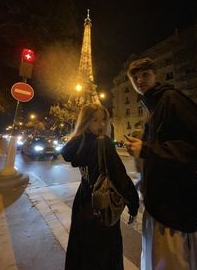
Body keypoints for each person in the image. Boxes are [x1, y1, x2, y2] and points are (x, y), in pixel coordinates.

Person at [126, 57, 197, 270]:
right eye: (134, 77)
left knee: (171, 262)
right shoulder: (154, 105)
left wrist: (146, 150)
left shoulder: (172, 100)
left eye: (145, 74)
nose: (139, 80)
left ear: (155, 75)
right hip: (160, 204)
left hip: (173, 208)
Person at [61, 103, 139, 270]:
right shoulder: (103, 143)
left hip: (82, 202)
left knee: (83, 250)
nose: (101, 124)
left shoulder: (78, 144)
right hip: (101, 204)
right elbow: (120, 177)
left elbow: (66, 151)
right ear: (86, 122)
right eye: (95, 120)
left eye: (104, 120)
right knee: (105, 252)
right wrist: (133, 204)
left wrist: (80, 133)